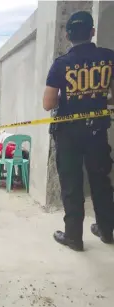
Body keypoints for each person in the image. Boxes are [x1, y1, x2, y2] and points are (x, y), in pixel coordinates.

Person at [43, 11, 114, 251]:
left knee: (72, 184)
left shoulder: (62, 64)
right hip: (97, 130)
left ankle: (74, 236)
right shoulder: (108, 58)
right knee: (101, 181)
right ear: (92, 32)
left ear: (67, 35)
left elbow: (48, 104)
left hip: (68, 134)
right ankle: (106, 230)